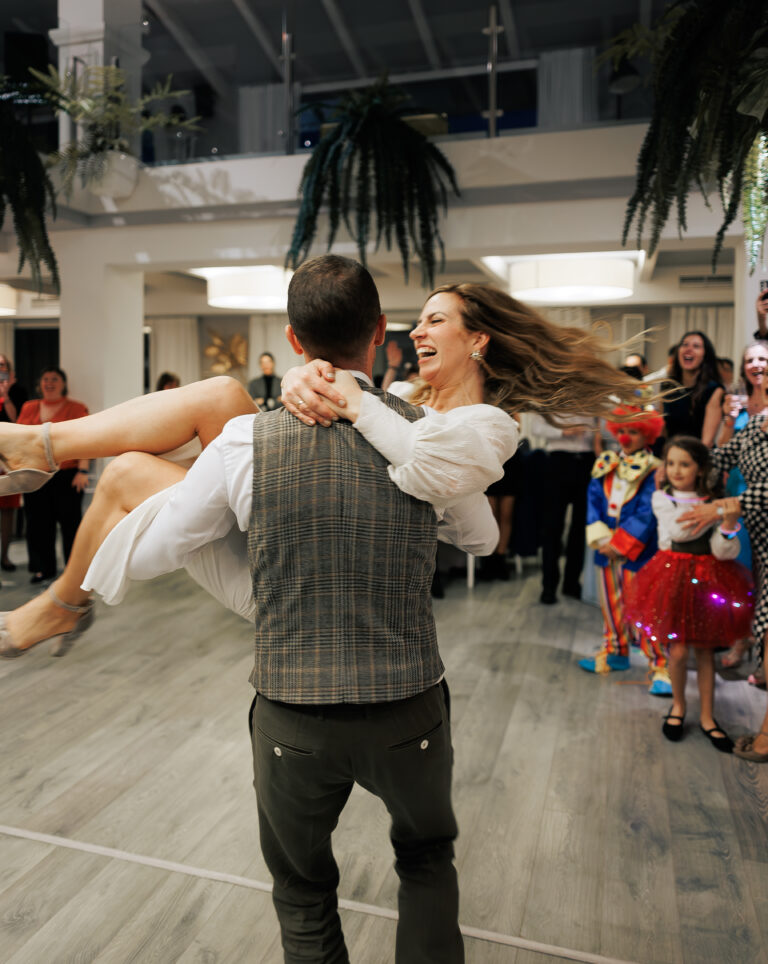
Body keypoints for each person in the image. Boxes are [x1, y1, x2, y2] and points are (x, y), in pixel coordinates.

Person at [0, 278, 645, 656]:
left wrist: (349, 395)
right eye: (415, 321)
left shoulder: (486, 427)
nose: (419, 332)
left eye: (436, 321)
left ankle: (54, 543)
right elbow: (360, 419)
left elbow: (475, 531)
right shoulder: (411, 401)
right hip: (295, 530)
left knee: (135, 469)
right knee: (178, 434)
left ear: (477, 339)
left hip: (314, 580)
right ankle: (47, 494)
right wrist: (310, 377)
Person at [625, 437, 753, 752]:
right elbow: (680, 532)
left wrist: (728, 523)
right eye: (671, 463)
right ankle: (679, 706)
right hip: (673, 576)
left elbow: (725, 551)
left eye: (685, 464)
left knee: (706, 652)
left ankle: (708, 717)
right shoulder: (661, 498)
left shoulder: (714, 500)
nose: (676, 470)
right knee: (679, 652)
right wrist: (716, 512)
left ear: (699, 469)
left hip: (710, 579)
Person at [579, 405, 672, 695]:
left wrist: (621, 544)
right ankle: (616, 651)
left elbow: (648, 511)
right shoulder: (605, 464)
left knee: (645, 608)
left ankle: (659, 665)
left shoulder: (655, 469)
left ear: (648, 435)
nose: (627, 437)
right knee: (610, 604)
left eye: (634, 431)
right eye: (623, 431)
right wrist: (602, 541)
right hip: (605, 549)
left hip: (639, 552)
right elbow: (593, 500)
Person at [715, 342, 768, 669]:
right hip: (738, 492)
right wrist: (726, 418)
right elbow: (721, 452)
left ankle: (761, 654)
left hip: (758, 495)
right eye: (750, 360)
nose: (757, 365)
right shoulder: (739, 405)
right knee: (740, 572)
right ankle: (741, 639)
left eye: (763, 358)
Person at [17, 367, 89, 584]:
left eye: (54, 379)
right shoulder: (29, 407)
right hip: (35, 475)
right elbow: (19, 439)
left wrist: (83, 470)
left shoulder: (76, 408)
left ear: (63, 384)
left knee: (70, 525)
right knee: (38, 524)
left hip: (67, 475)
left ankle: (73, 571)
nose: (49, 383)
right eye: (46, 379)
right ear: (40, 384)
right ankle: (43, 568)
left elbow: (85, 441)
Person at [529, 413, 598, 604]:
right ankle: (548, 586)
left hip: (587, 460)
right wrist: (563, 431)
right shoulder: (550, 391)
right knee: (551, 527)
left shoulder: (591, 392)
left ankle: (572, 583)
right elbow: (536, 427)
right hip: (557, 460)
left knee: (580, 527)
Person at [662, 331, 724, 446]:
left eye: (696, 346)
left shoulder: (714, 390)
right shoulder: (667, 386)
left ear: (705, 355)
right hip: (671, 456)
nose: (688, 349)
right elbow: (663, 432)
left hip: (698, 457)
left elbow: (707, 442)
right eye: (685, 345)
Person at [0, 353, 28, 572]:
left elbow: (18, 421)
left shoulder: (18, 392)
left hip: (8, 457)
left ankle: (5, 555)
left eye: (2, 365)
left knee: (8, 509)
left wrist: (5, 394)